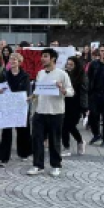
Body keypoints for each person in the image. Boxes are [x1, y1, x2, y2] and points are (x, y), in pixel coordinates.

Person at [28, 48, 74, 177]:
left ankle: (56, 165)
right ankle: (38, 165)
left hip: (56, 112)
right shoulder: (40, 73)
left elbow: (71, 92)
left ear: (53, 58)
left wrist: (62, 89)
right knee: (37, 139)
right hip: (40, 111)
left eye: (45, 56)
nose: (42, 59)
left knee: (54, 140)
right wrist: (32, 97)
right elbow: (38, 91)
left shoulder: (62, 74)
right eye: (42, 56)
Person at [0, 52, 32, 165]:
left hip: (20, 106)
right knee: (6, 132)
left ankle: (24, 153)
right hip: (7, 106)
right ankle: (4, 157)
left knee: (22, 131)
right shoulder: (4, 75)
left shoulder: (25, 76)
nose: (12, 61)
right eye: (11, 59)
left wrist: (26, 98)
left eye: (15, 59)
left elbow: (27, 91)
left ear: (19, 62)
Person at [62, 56, 88, 157]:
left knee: (70, 125)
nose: (69, 66)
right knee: (64, 126)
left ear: (76, 65)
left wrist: (84, 108)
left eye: (71, 65)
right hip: (65, 103)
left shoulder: (81, 76)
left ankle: (80, 141)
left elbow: (84, 93)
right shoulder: (64, 74)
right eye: (68, 64)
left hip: (76, 104)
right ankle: (66, 147)